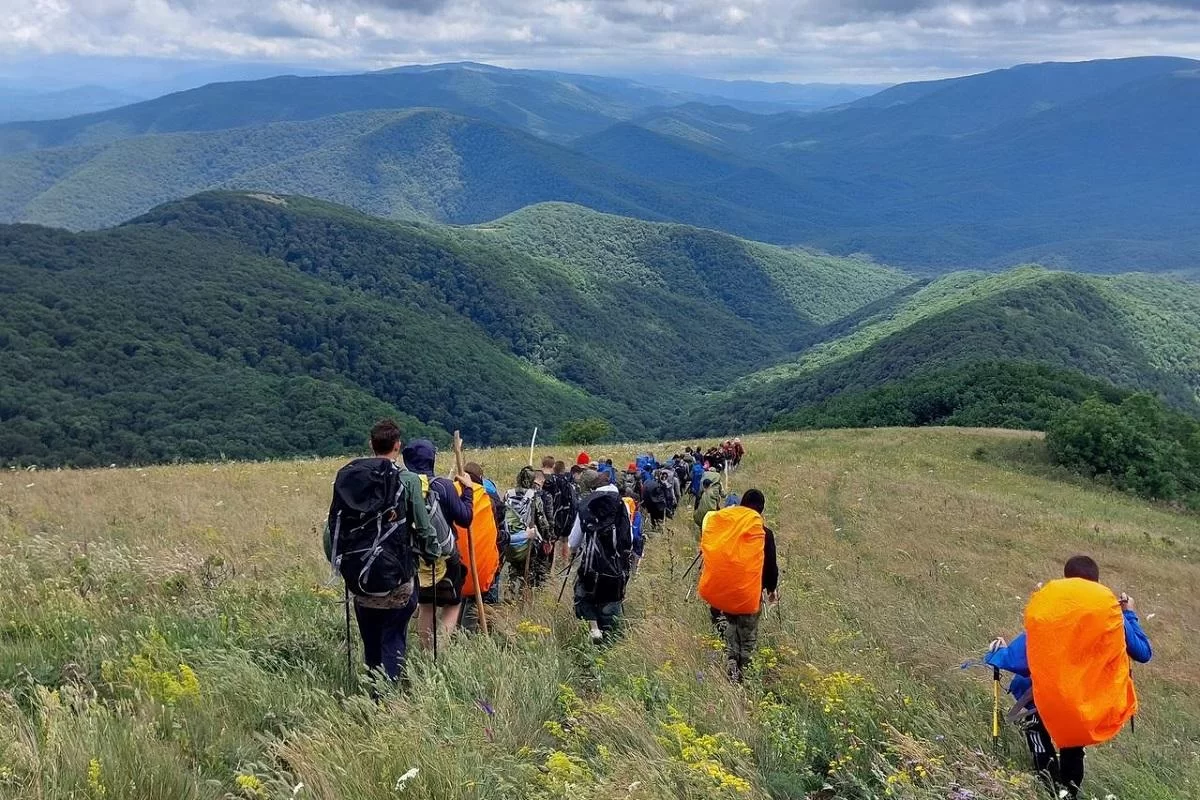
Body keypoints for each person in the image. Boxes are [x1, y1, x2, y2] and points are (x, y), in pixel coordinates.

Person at [985, 555, 1152, 799]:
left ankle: (1047, 787)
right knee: (1072, 746)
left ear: (1066, 578)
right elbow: (1143, 653)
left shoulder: (1052, 608)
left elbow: (1023, 655)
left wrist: (998, 654)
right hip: (1080, 700)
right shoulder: (1109, 612)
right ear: (1096, 582)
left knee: (1035, 730)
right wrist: (1129, 614)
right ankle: (1067, 794)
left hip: (1040, 696)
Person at [326, 420, 440, 681]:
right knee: (393, 637)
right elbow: (424, 528)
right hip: (397, 577)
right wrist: (433, 553)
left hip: (359, 578)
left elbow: (333, 528)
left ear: (371, 444)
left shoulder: (350, 478)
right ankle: (389, 695)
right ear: (397, 446)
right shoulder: (408, 480)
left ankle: (374, 692)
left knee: (371, 641)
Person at [697, 489, 778, 681]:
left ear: (742, 504)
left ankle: (731, 661)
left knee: (729, 628)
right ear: (761, 509)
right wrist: (771, 588)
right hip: (749, 595)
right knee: (747, 637)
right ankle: (743, 674)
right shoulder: (764, 533)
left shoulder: (726, 527)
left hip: (723, 594)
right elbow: (770, 566)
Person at [401, 438, 474, 650]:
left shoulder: (403, 486)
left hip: (417, 557)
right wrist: (468, 491)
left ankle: (426, 652)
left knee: (426, 606)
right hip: (446, 555)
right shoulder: (444, 486)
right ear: (432, 459)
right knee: (453, 604)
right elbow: (465, 518)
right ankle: (440, 650)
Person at [569, 469, 633, 643]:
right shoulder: (622, 504)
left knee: (583, 597)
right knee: (611, 605)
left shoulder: (586, 504)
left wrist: (574, 551)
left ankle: (594, 629)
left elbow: (573, 541)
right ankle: (609, 642)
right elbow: (628, 538)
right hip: (615, 568)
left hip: (591, 567)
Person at [455, 461, 502, 633]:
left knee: (459, 598)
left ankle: (457, 634)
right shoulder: (485, 499)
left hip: (455, 561)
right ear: (480, 478)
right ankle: (466, 635)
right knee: (474, 598)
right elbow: (496, 533)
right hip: (480, 560)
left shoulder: (449, 493)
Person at [504, 465, 554, 595]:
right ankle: (524, 596)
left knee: (513, 568)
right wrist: (547, 538)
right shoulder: (534, 496)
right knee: (529, 571)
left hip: (510, 538)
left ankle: (510, 593)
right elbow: (542, 520)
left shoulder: (508, 494)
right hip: (528, 539)